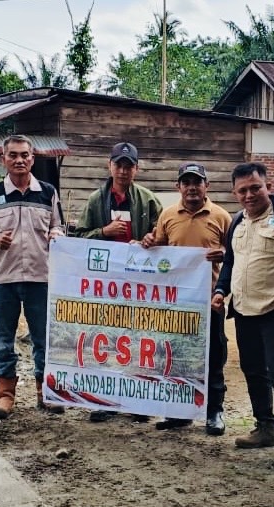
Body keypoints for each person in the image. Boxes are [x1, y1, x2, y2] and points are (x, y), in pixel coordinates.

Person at [211, 162, 274, 466]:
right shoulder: (237, 222)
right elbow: (231, 263)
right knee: (252, 369)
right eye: (243, 190)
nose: (249, 195)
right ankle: (266, 427)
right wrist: (221, 290)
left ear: (268, 187)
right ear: (234, 193)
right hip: (243, 309)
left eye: (255, 188)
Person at [0, 134, 66, 419]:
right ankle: (5, 395)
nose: (19, 160)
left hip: (41, 277)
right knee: (4, 340)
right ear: (3, 160)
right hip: (4, 278)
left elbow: (58, 226)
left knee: (43, 338)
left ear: (32, 159)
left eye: (24, 155)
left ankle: (45, 393)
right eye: (13, 155)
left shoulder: (48, 192)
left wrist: (56, 234)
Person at [74, 141, 162, 423]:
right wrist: (104, 231)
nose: (123, 171)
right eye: (118, 165)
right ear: (109, 166)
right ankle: (106, 400)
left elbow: (164, 232)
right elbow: (79, 237)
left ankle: (139, 401)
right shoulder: (96, 200)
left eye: (129, 166)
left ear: (137, 169)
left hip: (140, 284)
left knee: (139, 341)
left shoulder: (148, 199)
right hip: (106, 285)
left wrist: (151, 238)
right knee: (106, 340)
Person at [141, 162, 231, 434]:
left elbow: (236, 252)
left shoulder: (221, 216)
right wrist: (149, 242)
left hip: (210, 300)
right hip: (176, 301)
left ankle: (214, 411)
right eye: (186, 182)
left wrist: (224, 253)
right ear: (178, 187)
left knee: (213, 357)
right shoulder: (168, 215)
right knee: (176, 356)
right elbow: (159, 248)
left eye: (197, 182)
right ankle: (179, 412)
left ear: (207, 186)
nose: (192, 188)